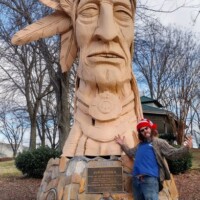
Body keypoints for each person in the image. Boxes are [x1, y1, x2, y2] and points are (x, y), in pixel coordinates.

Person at [115, 118, 192, 200]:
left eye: (146, 128)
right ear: (140, 133)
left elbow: (172, 153)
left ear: (151, 128)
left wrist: (186, 148)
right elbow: (130, 153)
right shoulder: (140, 145)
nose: (145, 131)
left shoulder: (159, 142)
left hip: (150, 179)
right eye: (142, 130)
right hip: (136, 180)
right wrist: (122, 144)